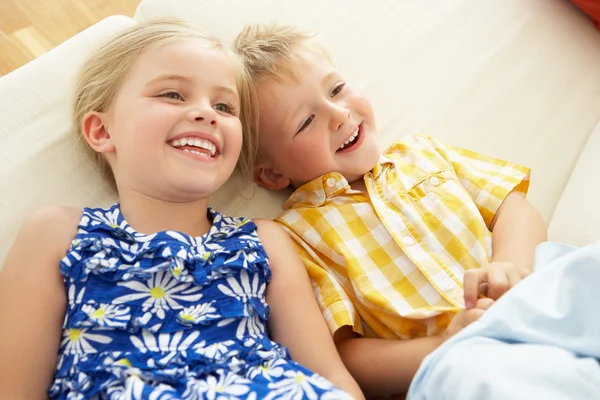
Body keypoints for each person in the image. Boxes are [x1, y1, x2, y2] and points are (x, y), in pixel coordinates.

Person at [0, 19, 363, 400]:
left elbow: (329, 378)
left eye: (224, 106)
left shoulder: (263, 240)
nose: (207, 113)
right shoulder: (58, 233)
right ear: (102, 131)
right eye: (173, 95)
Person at [234, 24, 547, 397]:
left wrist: (509, 265)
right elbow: (347, 355)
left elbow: (513, 207)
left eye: (336, 90)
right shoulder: (297, 237)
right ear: (271, 174)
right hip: (453, 367)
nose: (338, 114)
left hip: (533, 302)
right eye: (306, 122)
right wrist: (444, 346)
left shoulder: (423, 154)